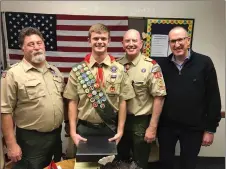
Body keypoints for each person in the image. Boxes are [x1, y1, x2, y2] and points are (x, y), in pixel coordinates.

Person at [63, 23, 135, 155]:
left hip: (109, 128)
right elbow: (72, 102)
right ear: (89, 41)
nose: (100, 42)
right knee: (84, 166)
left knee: (109, 166)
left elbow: (123, 101)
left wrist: (120, 131)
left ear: (109, 41)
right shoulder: (78, 70)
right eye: (96, 38)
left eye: (103, 38)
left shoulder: (119, 69)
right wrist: (73, 132)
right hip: (84, 129)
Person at [157, 26, 222, 169]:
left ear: (188, 40)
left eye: (180, 40)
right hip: (166, 127)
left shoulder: (204, 63)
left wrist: (210, 129)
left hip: (194, 128)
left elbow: (213, 98)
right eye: (173, 41)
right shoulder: (162, 65)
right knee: (165, 163)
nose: (177, 44)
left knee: (189, 164)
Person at [1, 27, 65, 169]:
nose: (36, 47)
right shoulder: (13, 74)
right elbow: (5, 111)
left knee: (54, 166)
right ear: (22, 48)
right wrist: (11, 144)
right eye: (31, 44)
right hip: (31, 140)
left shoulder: (54, 71)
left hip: (55, 136)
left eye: (39, 43)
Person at [116, 29, 167, 169]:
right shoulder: (116, 65)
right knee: (119, 161)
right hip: (119, 121)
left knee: (140, 162)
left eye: (134, 41)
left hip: (141, 122)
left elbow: (159, 97)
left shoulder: (151, 66)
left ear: (141, 44)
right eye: (127, 41)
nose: (131, 44)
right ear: (122, 44)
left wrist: (152, 127)